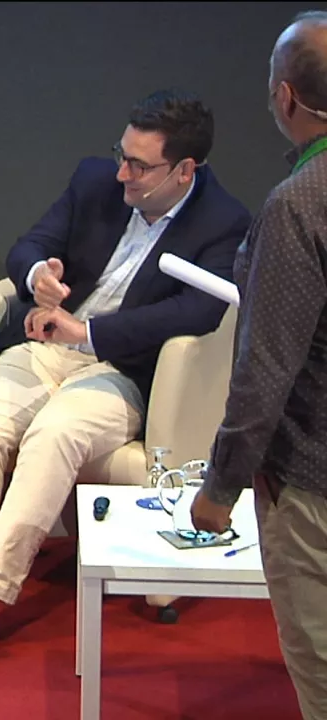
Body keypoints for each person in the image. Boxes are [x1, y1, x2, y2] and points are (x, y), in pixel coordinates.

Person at [0, 88, 252, 664]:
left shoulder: (224, 221)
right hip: (46, 344)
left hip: (123, 369)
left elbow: (198, 311)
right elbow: (31, 244)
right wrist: (38, 275)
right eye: (122, 155)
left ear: (184, 170)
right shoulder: (94, 181)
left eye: (140, 165)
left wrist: (90, 332)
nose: (122, 173)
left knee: (54, 434)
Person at [193, 12, 327, 717]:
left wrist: (220, 487)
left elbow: (266, 369)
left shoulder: (301, 203)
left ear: (285, 97)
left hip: (312, 483)